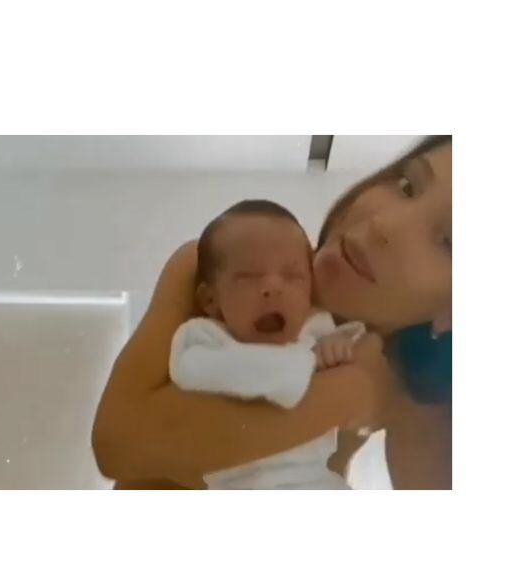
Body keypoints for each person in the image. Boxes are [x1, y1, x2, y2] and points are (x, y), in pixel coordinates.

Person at [93, 135, 452, 489]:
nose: (383, 225)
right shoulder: (216, 272)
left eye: (448, 242)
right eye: (407, 186)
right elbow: (118, 445)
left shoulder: (411, 391)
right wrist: (349, 392)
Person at [169, 199, 365, 489]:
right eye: (248, 277)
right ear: (210, 300)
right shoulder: (205, 338)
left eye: (292, 276)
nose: (273, 288)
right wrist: (306, 364)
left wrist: (337, 346)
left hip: (315, 479)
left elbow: (356, 347)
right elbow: (193, 371)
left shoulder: (314, 331)